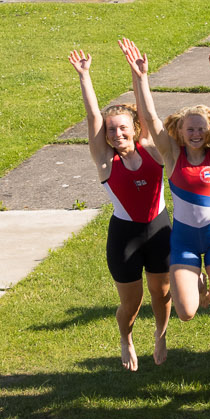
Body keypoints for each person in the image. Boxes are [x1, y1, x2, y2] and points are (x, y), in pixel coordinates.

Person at [118, 40, 210, 324]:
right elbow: (150, 117)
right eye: (190, 129)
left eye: (201, 128)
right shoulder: (172, 156)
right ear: (180, 133)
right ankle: (197, 278)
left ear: (209, 132)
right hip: (184, 240)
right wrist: (142, 78)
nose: (196, 133)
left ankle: (208, 277)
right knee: (186, 313)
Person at [70, 47, 171, 371]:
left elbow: (146, 114)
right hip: (125, 236)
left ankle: (160, 333)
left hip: (159, 229)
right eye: (112, 130)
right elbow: (93, 119)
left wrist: (139, 76)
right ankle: (126, 338)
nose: (117, 134)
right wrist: (85, 77)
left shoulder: (154, 150)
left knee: (162, 292)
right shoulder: (105, 161)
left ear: (134, 129)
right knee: (132, 302)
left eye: (123, 128)